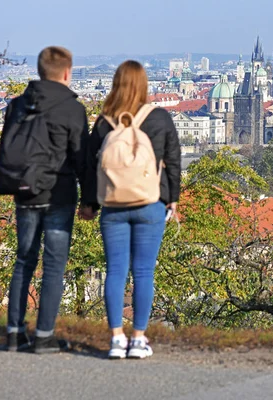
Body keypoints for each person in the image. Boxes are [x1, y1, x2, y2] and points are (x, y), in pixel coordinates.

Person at [81, 60, 181, 359]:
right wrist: (172, 199)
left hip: (112, 206)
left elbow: (89, 168)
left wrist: (89, 203)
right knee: (144, 273)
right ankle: (138, 339)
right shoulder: (160, 118)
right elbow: (173, 162)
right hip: (150, 203)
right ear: (144, 85)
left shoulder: (104, 122)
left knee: (115, 272)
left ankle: (115, 339)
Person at [1, 46, 89, 353]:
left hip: (24, 192)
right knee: (53, 265)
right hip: (59, 195)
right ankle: (44, 335)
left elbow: (6, 150)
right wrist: (90, 199)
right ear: (67, 73)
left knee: (23, 261)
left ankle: (13, 333)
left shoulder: (17, 105)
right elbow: (82, 158)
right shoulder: (72, 108)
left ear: (40, 72)